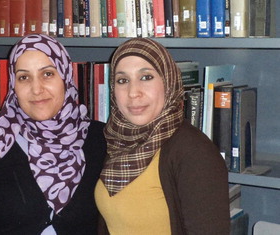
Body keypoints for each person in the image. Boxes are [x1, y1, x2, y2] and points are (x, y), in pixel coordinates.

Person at [0, 34, 107, 234]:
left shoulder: (99, 140)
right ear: (13, 85)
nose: (36, 89)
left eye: (47, 74)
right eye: (24, 77)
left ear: (65, 77)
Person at [95, 38, 230, 234]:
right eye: (122, 80)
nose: (133, 93)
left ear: (168, 81)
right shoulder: (116, 140)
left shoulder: (194, 152)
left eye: (146, 77)